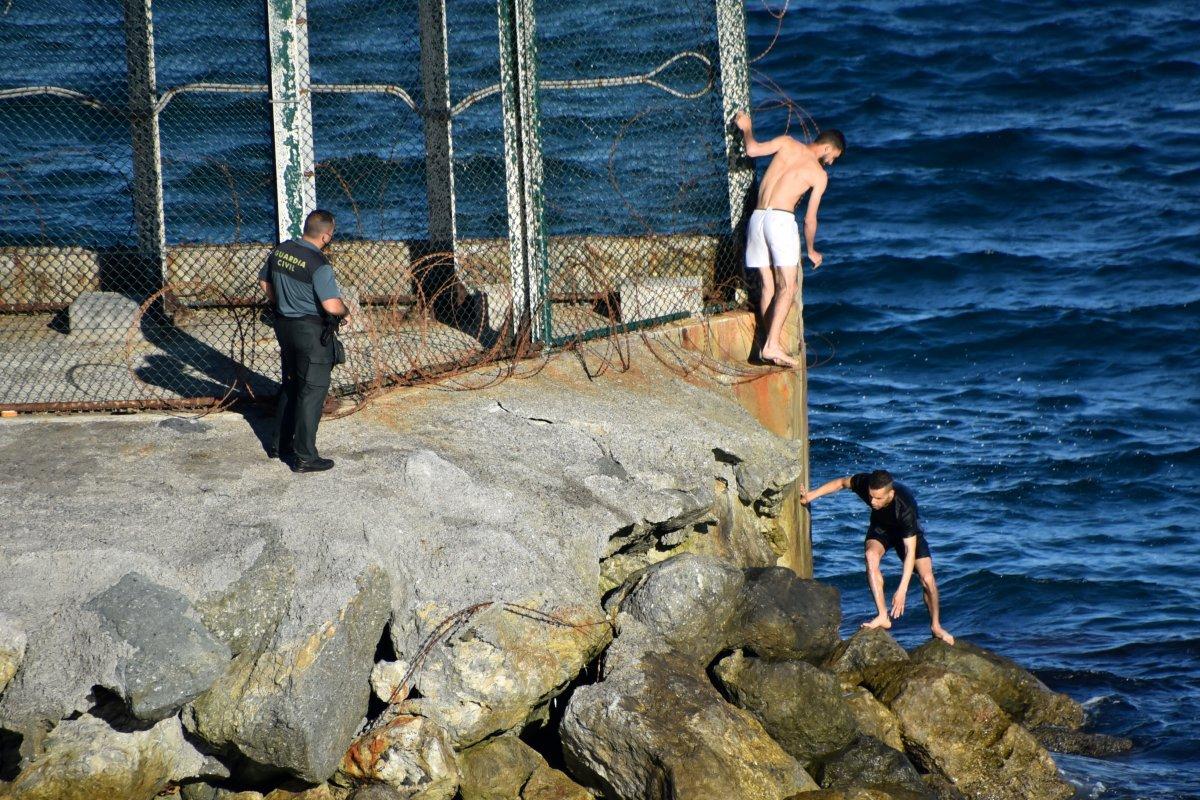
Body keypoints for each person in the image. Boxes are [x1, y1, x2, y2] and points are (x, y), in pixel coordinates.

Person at [735, 112, 845, 367]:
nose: (829, 162)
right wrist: (811, 250)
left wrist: (747, 128)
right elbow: (809, 220)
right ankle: (772, 345)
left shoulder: (786, 143)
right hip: (780, 222)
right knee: (789, 287)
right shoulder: (818, 174)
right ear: (827, 147)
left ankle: (768, 342)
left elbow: (751, 150)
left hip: (757, 219)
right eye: (832, 157)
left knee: (768, 287)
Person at [801, 469, 955, 645]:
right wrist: (811, 496)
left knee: (927, 579)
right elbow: (841, 483)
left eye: (878, 498)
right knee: (870, 556)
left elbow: (910, 552)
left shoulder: (905, 508)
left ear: (891, 493)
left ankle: (936, 626)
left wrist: (902, 589)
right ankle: (883, 615)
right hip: (882, 529)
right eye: (871, 497)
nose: (873, 502)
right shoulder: (866, 483)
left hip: (908, 536)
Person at [258, 209, 348, 473]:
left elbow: (264, 282)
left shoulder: (281, 251)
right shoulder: (318, 263)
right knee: (313, 392)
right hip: (310, 333)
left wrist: (281, 302)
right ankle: (305, 457)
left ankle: (279, 445)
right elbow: (331, 306)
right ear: (327, 235)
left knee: (292, 384)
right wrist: (346, 311)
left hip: (284, 327)